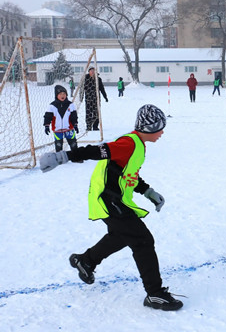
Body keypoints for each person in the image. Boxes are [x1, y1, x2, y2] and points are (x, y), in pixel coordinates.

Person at [38, 104, 183, 311]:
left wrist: (148, 192)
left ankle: (86, 261)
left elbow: (127, 173)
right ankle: (155, 294)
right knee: (142, 240)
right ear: (149, 127)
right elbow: (97, 151)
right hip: (109, 199)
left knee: (122, 235)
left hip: (115, 199)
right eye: (160, 127)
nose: (162, 132)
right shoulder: (128, 143)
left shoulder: (137, 145)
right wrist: (64, 157)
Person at [44, 85, 79, 153]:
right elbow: (48, 116)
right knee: (58, 145)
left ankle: (76, 157)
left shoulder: (70, 105)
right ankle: (59, 158)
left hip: (69, 129)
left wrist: (75, 125)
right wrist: (46, 126)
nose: (62, 95)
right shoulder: (52, 106)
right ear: (56, 95)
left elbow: (74, 116)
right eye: (60, 94)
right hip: (57, 129)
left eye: (64, 94)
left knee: (73, 144)